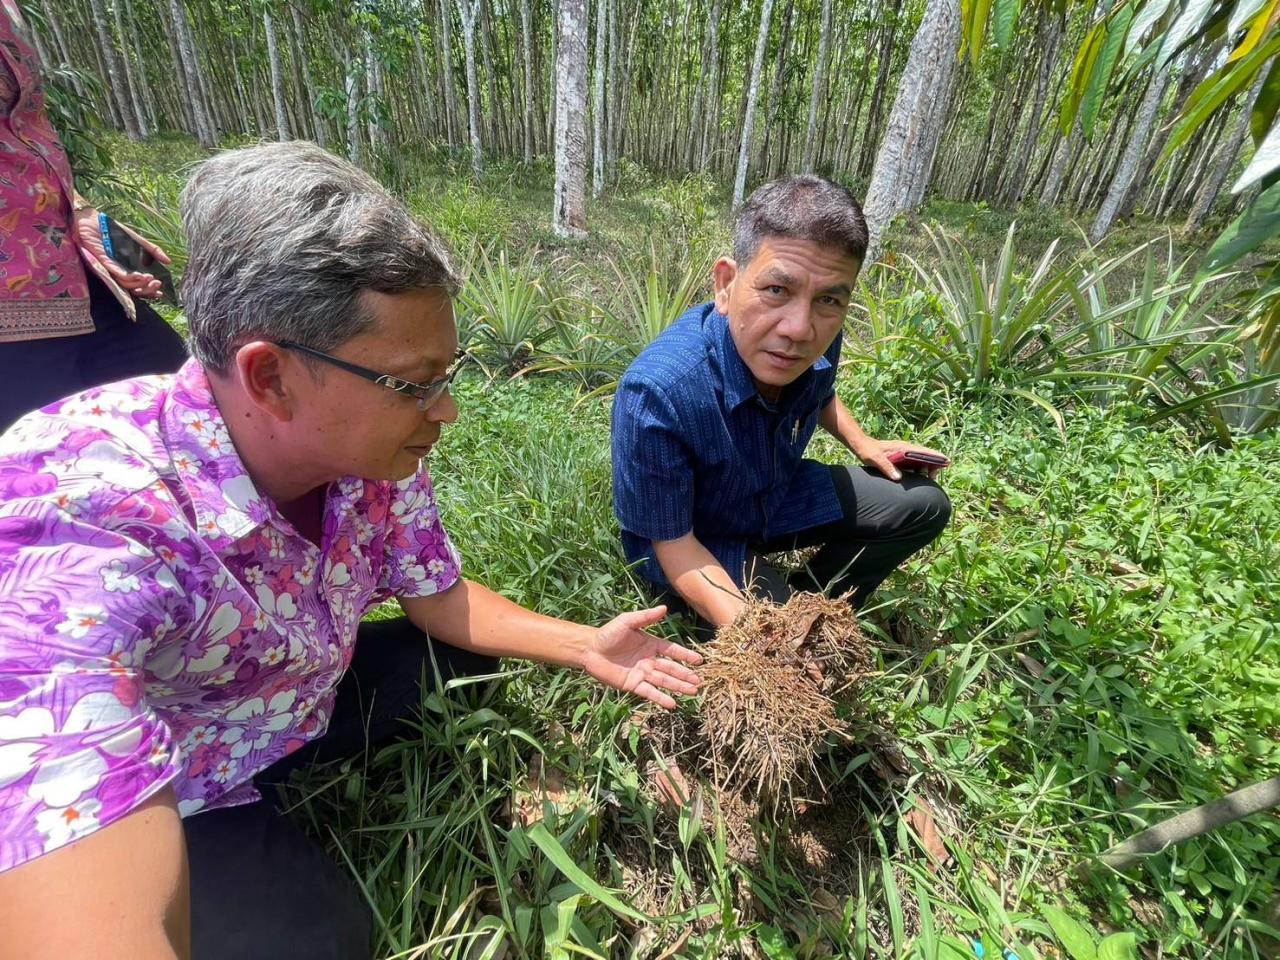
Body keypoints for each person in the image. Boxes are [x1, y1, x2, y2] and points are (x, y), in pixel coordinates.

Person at [0, 141, 703, 960]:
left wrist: (585, 647)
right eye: (414, 383)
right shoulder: (76, 516)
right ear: (269, 376)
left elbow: (436, 596)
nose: (445, 413)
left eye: (446, 377)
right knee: (322, 939)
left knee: (459, 662)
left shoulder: (371, 454)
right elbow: (78, 874)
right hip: (182, 772)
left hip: (293, 698)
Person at [611, 175, 951, 634]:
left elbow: (821, 389)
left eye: (829, 299)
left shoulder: (815, 334)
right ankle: (784, 622)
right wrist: (762, 638)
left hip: (773, 495)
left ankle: (821, 606)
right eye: (777, 290)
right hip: (696, 537)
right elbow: (673, 543)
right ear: (727, 283)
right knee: (784, 646)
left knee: (923, 504)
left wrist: (861, 441)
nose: (798, 329)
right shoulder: (658, 393)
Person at [0, 2, 186, 433]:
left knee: (171, 391)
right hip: (13, 320)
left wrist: (80, 211)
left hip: (68, 270)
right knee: (47, 456)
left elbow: (29, 132)